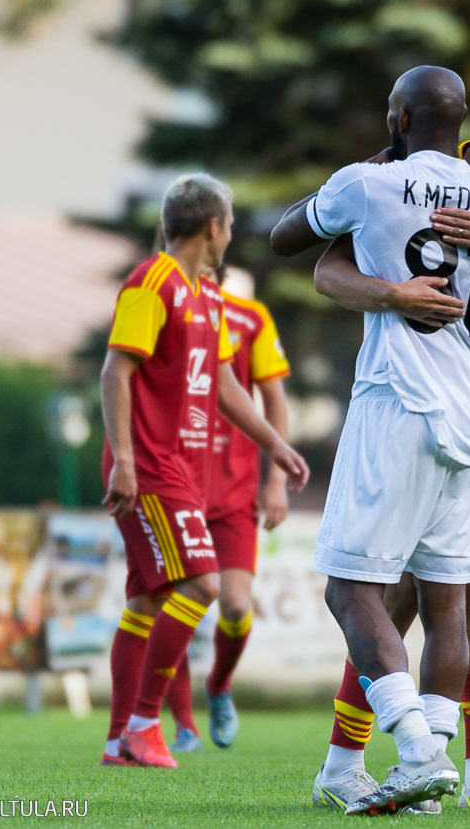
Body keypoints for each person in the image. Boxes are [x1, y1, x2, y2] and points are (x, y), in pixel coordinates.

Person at [275, 62, 470, 812]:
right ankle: (353, 762)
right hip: (464, 412)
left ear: (400, 116)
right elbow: (332, 271)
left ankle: (462, 766)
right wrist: (395, 290)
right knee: (415, 592)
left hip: (445, 401)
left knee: (453, 586)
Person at [98, 174, 309, 769]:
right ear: (214, 225)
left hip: (179, 468)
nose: (232, 234)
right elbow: (116, 373)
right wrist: (127, 462)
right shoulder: (151, 283)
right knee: (203, 586)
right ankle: (144, 725)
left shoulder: (204, 296)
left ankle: (120, 740)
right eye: (232, 224)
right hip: (151, 465)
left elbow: (222, 385)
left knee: (144, 603)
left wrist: (275, 446)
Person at [163, 267, 292, 753]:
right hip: (180, 481)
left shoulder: (249, 318)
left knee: (236, 606)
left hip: (236, 489)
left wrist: (275, 478)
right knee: (180, 604)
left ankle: (218, 685)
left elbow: (274, 397)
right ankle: (182, 725)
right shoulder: (168, 304)